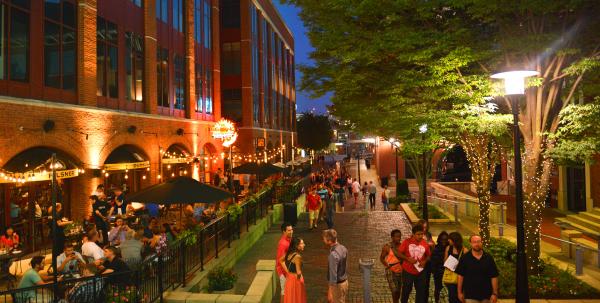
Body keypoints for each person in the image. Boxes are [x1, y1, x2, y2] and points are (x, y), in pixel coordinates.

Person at [456, 235, 499, 303]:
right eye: (474, 242)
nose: (477, 244)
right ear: (471, 243)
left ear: (482, 242)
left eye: (479, 241)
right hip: (470, 296)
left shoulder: (488, 258)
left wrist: (495, 293)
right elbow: (460, 276)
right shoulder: (465, 258)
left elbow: (494, 276)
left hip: (486, 296)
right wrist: (459, 292)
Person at [399, 224, 431, 303]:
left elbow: (428, 256)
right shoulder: (406, 242)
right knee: (406, 290)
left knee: (421, 292)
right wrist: (407, 259)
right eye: (418, 234)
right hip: (408, 271)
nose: (420, 236)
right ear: (413, 234)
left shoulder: (425, 243)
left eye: (422, 234)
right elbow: (399, 253)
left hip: (421, 272)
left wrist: (424, 261)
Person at [323, 229, 348, 303]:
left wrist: (330, 291)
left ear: (329, 241)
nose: (323, 240)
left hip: (337, 286)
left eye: (324, 238)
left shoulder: (333, 255)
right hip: (344, 282)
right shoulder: (343, 248)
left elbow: (333, 275)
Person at [380, 229, 403, 303]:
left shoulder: (402, 246)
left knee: (398, 290)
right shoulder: (387, 247)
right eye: (396, 237)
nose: (398, 238)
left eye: (399, 236)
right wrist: (387, 265)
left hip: (400, 271)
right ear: (392, 237)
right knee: (394, 290)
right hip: (391, 271)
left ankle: (396, 301)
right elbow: (382, 258)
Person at [280, 237, 306, 303]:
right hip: (295, 279)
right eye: (302, 243)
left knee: (290, 297)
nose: (304, 245)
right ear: (297, 246)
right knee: (297, 298)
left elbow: (281, 260)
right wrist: (300, 280)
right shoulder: (297, 257)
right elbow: (298, 272)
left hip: (289, 279)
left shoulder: (289, 253)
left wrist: (288, 271)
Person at [444, 231, 468, 303]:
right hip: (450, 277)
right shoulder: (448, 248)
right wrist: (448, 265)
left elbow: (467, 266)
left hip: (460, 277)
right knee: (452, 297)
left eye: (450, 239)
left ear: (454, 240)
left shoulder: (465, 250)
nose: (448, 240)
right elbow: (445, 261)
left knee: (460, 297)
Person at [276, 222, 293, 302]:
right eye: (289, 230)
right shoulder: (283, 244)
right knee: (284, 292)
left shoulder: (289, 240)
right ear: (284, 231)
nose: (291, 231)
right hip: (283, 272)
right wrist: (287, 273)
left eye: (292, 229)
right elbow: (280, 261)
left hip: (287, 270)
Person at [431, 231, 449, 303]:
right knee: (437, 288)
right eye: (442, 239)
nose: (444, 241)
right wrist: (434, 271)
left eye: (445, 239)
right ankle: (436, 300)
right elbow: (433, 262)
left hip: (447, 271)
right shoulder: (436, 249)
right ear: (439, 239)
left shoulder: (450, 248)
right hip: (438, 272)